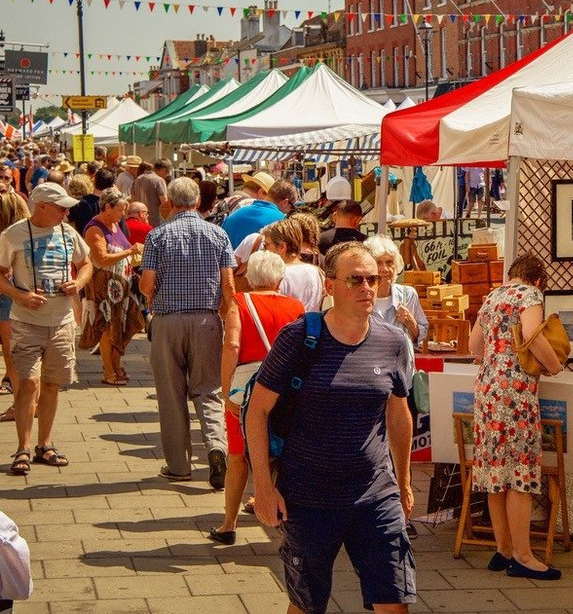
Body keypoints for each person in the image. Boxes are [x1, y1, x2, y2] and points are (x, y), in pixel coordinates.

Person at [246, 241, 416, 614]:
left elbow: (399, 416)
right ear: (330, 285)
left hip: (375, 494)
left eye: (373, 278)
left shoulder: (393, 342)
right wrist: (263, 484)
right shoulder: (299, 340)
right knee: (307, 604)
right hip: (309, 497)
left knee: (394, 602)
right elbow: (257, 411)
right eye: (355, 279)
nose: (367, 287)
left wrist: (402, 483)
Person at [466, 252, 564, 580]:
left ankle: (503, 548)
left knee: (495, 474)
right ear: (538, 279)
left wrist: (496, 357)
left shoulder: (493, 295)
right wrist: (553, 365)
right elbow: (533, 334)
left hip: (487, 389)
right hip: (515, 391)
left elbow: (474, 345)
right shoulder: (530, 294)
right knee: (519, 473)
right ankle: (523, 557)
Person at [139, 177, 235, 489]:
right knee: (209, 390)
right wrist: (225, 319)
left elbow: (147, 284)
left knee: (171, 393)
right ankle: (217, 446)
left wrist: (151, 301)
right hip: (207, 320)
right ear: (196, 201)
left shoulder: (158, 235)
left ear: (170, 201)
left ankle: (178, 465)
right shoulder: (218, 234)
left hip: (168, 320)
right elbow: (229, 286)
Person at [210, 251, 304, 546]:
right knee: (283, 454)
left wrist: (226, 392)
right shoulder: (296, 306)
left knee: (238, 456)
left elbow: (232, 346)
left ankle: (229, 524)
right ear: (279, 277)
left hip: (247, 390)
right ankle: (285, 520)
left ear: (250, 277)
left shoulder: (240, 302)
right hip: (286, 392)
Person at [0, 183, 92, 476]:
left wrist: (77, 283)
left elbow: (87, 263)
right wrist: (20, 295)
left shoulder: (68, 233)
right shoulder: (12, 235)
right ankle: (22, 448)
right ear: (40, 206)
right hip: (26, 322)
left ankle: (45, 445)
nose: (67, 212)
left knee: (52, 384)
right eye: (61, 207)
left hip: (62, 321)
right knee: (28, 383)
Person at [79, 188, 144, 386]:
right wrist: (130, 251)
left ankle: (115, 363)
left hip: (120, 285)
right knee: (109, 328)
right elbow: (102, 258)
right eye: (120, 209)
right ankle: (109, 371)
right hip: (103, 287)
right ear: (108, 207)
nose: (123, 214)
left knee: (132, 322)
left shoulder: (115, 225)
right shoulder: (94, 229)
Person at [364, 235, 427, 348]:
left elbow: (422, 338)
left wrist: (410, 321)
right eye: (378, 263)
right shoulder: (361, 297)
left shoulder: (408, 295)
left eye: (389, 262)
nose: (385, 269)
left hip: (400, 363)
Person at [0, 193, 30, 424]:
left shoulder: (7, 237)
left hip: (8, 300)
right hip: (23, 301)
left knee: (13, 358)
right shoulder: (27, 235)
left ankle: (20, 407)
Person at [260, 219, 324, 313]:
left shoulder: (279, 275)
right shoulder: (316, 271)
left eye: (266, 245)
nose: (264, 250)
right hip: (312, 326)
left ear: (282, 247)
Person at [221, 179, 297, 249]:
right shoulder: (282, 223)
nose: (290, 211)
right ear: (285, 202)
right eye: (292, 207)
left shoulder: (234, 215)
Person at [69, 168, 115, 237]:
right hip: (112, 243)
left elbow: (82, 229)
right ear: (112, 185)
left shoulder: (84, 203)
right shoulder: (116, 203)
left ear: (94, 182)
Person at [131, 159, 170, 226]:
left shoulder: (138, 179)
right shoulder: (159, 180)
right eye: (167, 172)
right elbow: (164, 202)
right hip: (155, 221)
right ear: (163, 170)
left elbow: (133, 200)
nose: (167, 175)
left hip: (139, 220)